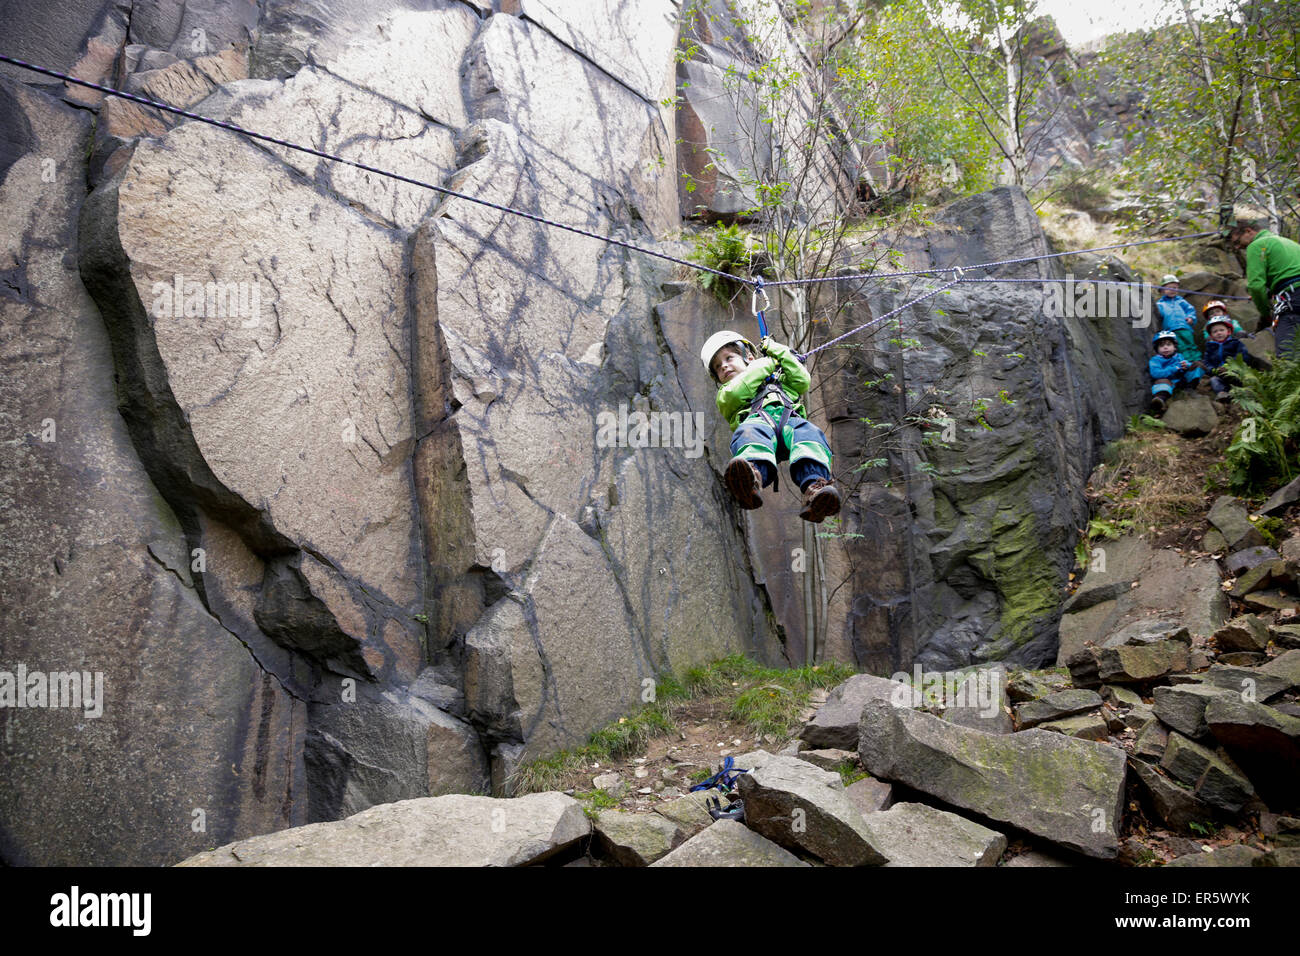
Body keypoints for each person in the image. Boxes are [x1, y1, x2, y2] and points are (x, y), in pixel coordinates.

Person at [700, 330, 840, 522]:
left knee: (810, 434)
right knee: (750, 432)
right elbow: (740, 389)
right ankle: (751, 478)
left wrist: (777, 350)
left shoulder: (780, 381)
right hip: (758, 425)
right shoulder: (725, 393)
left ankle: (814, 489)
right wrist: (768, 362)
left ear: (748, 356)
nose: (724, 366)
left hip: (790, 422)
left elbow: (802, 379)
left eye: (729, 358)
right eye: (718, 367)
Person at [1228, 221, 1300, 356]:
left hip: (1293, 298)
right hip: (1293, 291)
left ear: (1248, 231)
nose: (1237, 247)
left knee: (1287, 353)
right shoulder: (1289, 243)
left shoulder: (1257, 245)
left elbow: (1255, 286)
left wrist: (1265, 313)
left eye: (1237, 241)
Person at [1195, 311, 1269, 403]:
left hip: (1236, 372)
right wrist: (1215, 370)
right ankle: (1223, 393)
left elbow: (1242, 356)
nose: (1218, 333)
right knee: (1214, 380)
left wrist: (1229, 367)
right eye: (1215, 331)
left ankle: (1247, 390)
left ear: (1229, 331)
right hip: (1220, 375)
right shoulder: (1210, 348)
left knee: (1247, 376)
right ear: (1211, 335)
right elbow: (1207, 363)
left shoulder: (1235, 343)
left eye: (1221, 330)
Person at [1148, 329, 1202, 413]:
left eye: (1169, 345)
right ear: (1157, 349)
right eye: (1161, 346)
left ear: (1174, 347)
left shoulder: (1179, 356)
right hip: (1168, 382)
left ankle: (1191, 389)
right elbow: (1156, 373)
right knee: (1161, 382)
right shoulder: (1155, 360)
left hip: (1181, 380)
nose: (1165, 347)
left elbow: (1186, 364)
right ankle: (1160, 400)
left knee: (1196, 366)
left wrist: (1186, 365)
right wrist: (1174, 368)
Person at [1155, 274, 1200, 363]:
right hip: (1171, 331)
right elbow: (1158, 316)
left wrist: (1191, 317)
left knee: (1191, 344)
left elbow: (1190, 310)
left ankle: (1197, 362)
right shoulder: (1160, 304)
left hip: (1185, 328)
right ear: (1162, 291)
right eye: (1169, 288)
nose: (1172, 290)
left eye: (1175, 288)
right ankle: (1185, 363)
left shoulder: (1181, 301)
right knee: (1179, 347)